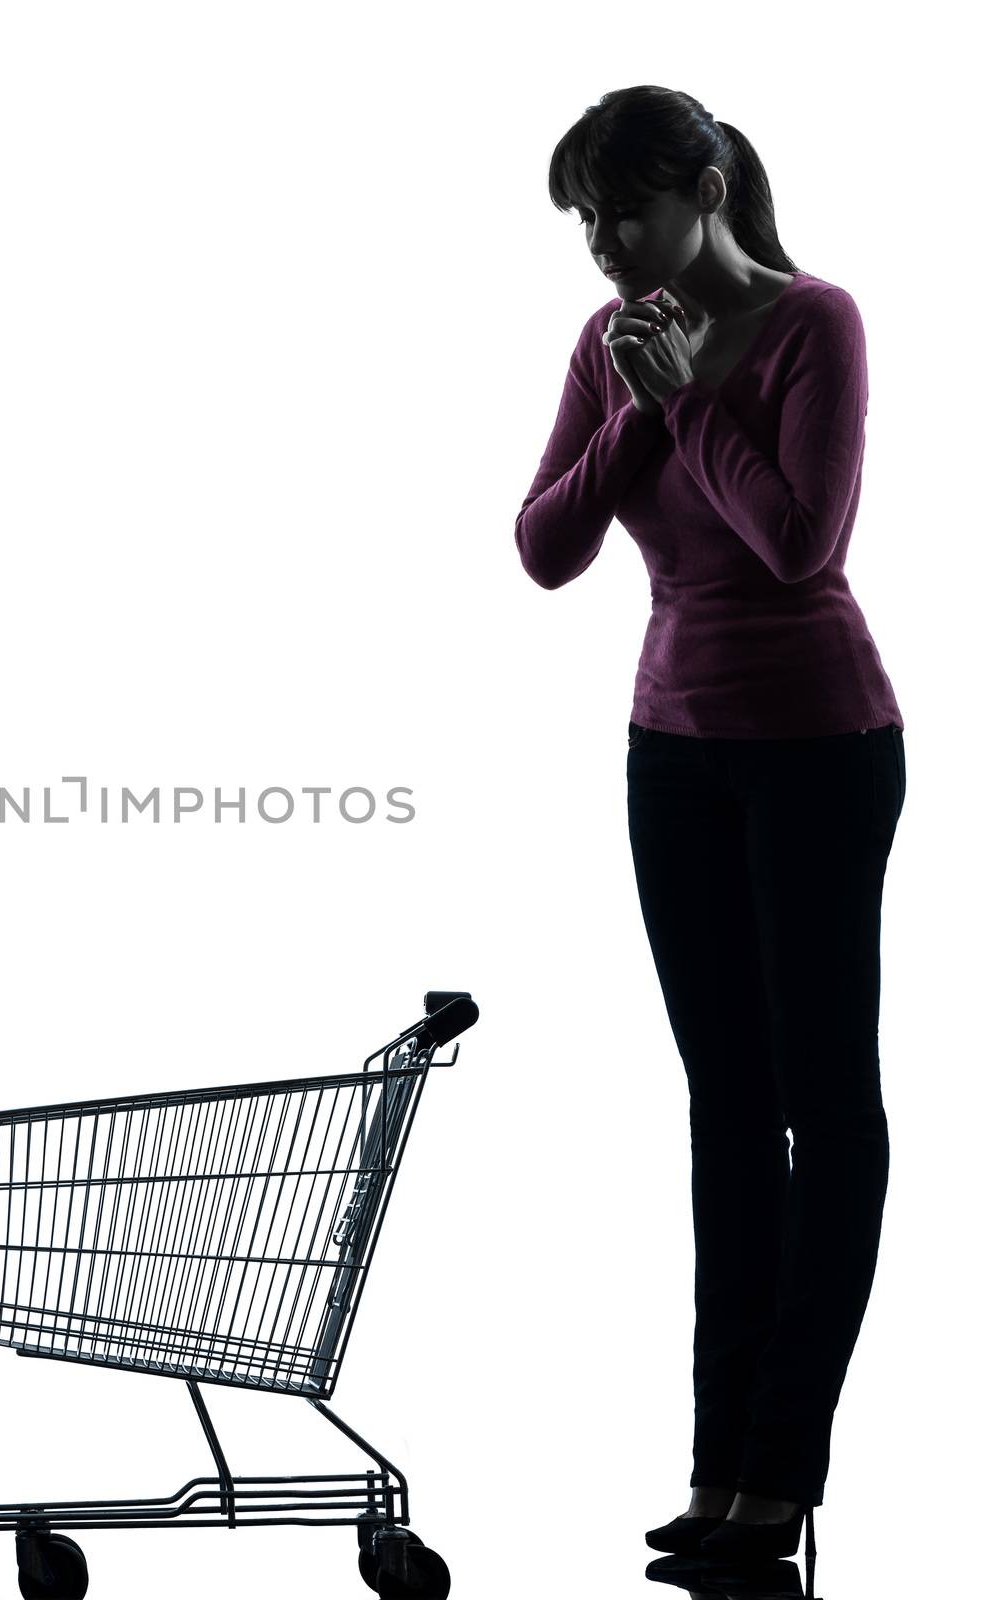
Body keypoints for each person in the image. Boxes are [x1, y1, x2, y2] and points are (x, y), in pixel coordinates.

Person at [516, 86, 904, 1563]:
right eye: (587, 223)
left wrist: (686, 401)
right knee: (726, 1114)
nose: (608, 249)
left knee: (827, 1107)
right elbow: (546, 547)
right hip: (669, 751)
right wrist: (629, 411)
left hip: (820, 745)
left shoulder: (816, 323)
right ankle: (717, 1472)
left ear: (710, 186)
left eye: (626, 210)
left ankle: (785, 1469)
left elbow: (804, 545)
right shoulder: (607, 346)